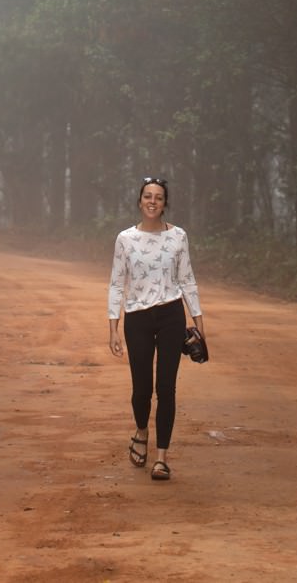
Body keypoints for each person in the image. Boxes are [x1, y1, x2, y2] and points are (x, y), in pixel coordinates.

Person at [107, 174, 205, 481]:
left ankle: (162, 458)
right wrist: (113, 327)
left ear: (165, 204)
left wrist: (199, 323)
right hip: (136, 318)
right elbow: (116, 283)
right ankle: (140, 431)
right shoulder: (125, 239)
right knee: (142, 389)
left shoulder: (178, 237)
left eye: (158, 197)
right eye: (147, 196)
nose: (152, 201)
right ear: (139, 201)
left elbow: (187, 279)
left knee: (166, 387)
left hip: (171, 315)